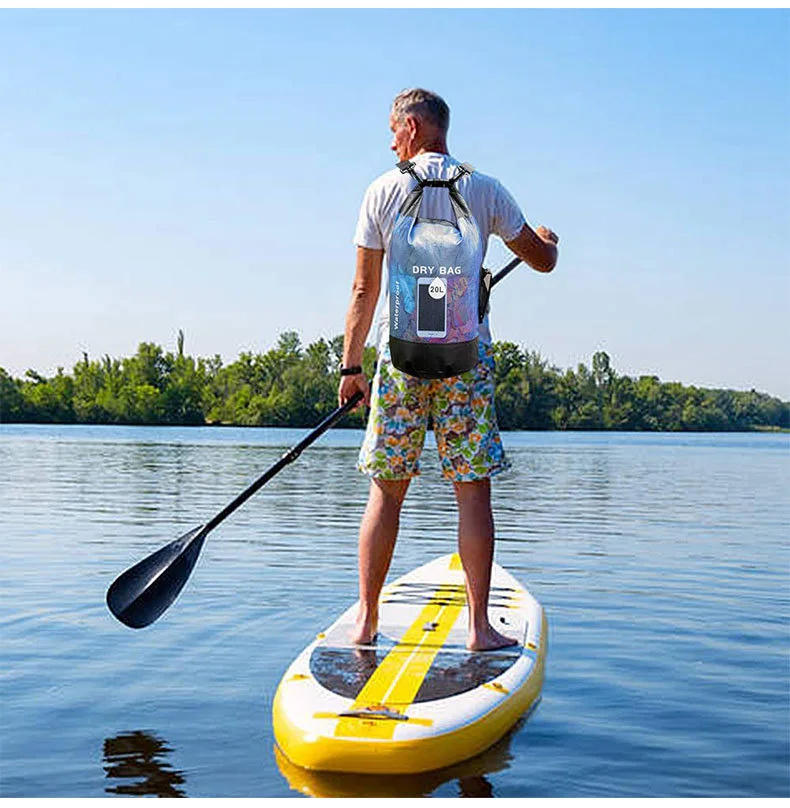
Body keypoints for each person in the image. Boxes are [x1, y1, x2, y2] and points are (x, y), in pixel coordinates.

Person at [338, 88, 558, 651]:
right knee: (473, 492)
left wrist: (351, 366)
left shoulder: (382, 190)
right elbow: (541, 260)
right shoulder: (485, 189)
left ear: (413, 127)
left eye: (393, 129)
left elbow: (365, 289)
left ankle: (366, 621)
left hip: (401, 359)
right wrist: (548, 242)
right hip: (466, 359)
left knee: (386, 493)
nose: (390, 141)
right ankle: (479, 628)